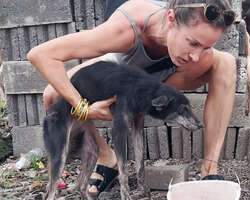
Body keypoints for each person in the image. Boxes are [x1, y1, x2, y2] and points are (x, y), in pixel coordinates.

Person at [27, 0, 237, 197]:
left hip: (156, 82)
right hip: (122, 73)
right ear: (171, 18)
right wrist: (82, 108)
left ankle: (210, 169)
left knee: (225, 63)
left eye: (206, 47)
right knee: (54, 96)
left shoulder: (192, 39)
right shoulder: (125, 28)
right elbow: (41, 55)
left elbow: (204, 58)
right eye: (192, 43)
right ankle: (105, 157)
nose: (196, 56)